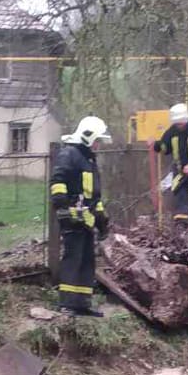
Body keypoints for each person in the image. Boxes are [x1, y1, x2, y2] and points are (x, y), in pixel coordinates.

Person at [50, 116, 111, 317]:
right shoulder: (69, 154)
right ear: (87, 137)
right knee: (73, 257)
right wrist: (63, 205)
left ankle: (82, 303)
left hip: (87, 219)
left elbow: (95, 194)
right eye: (96, 140)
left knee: (87, 260)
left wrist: (101, 218)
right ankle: (67, 303)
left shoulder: (89, 158)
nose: (98, 145)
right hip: (72, 218)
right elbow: (58, 180)